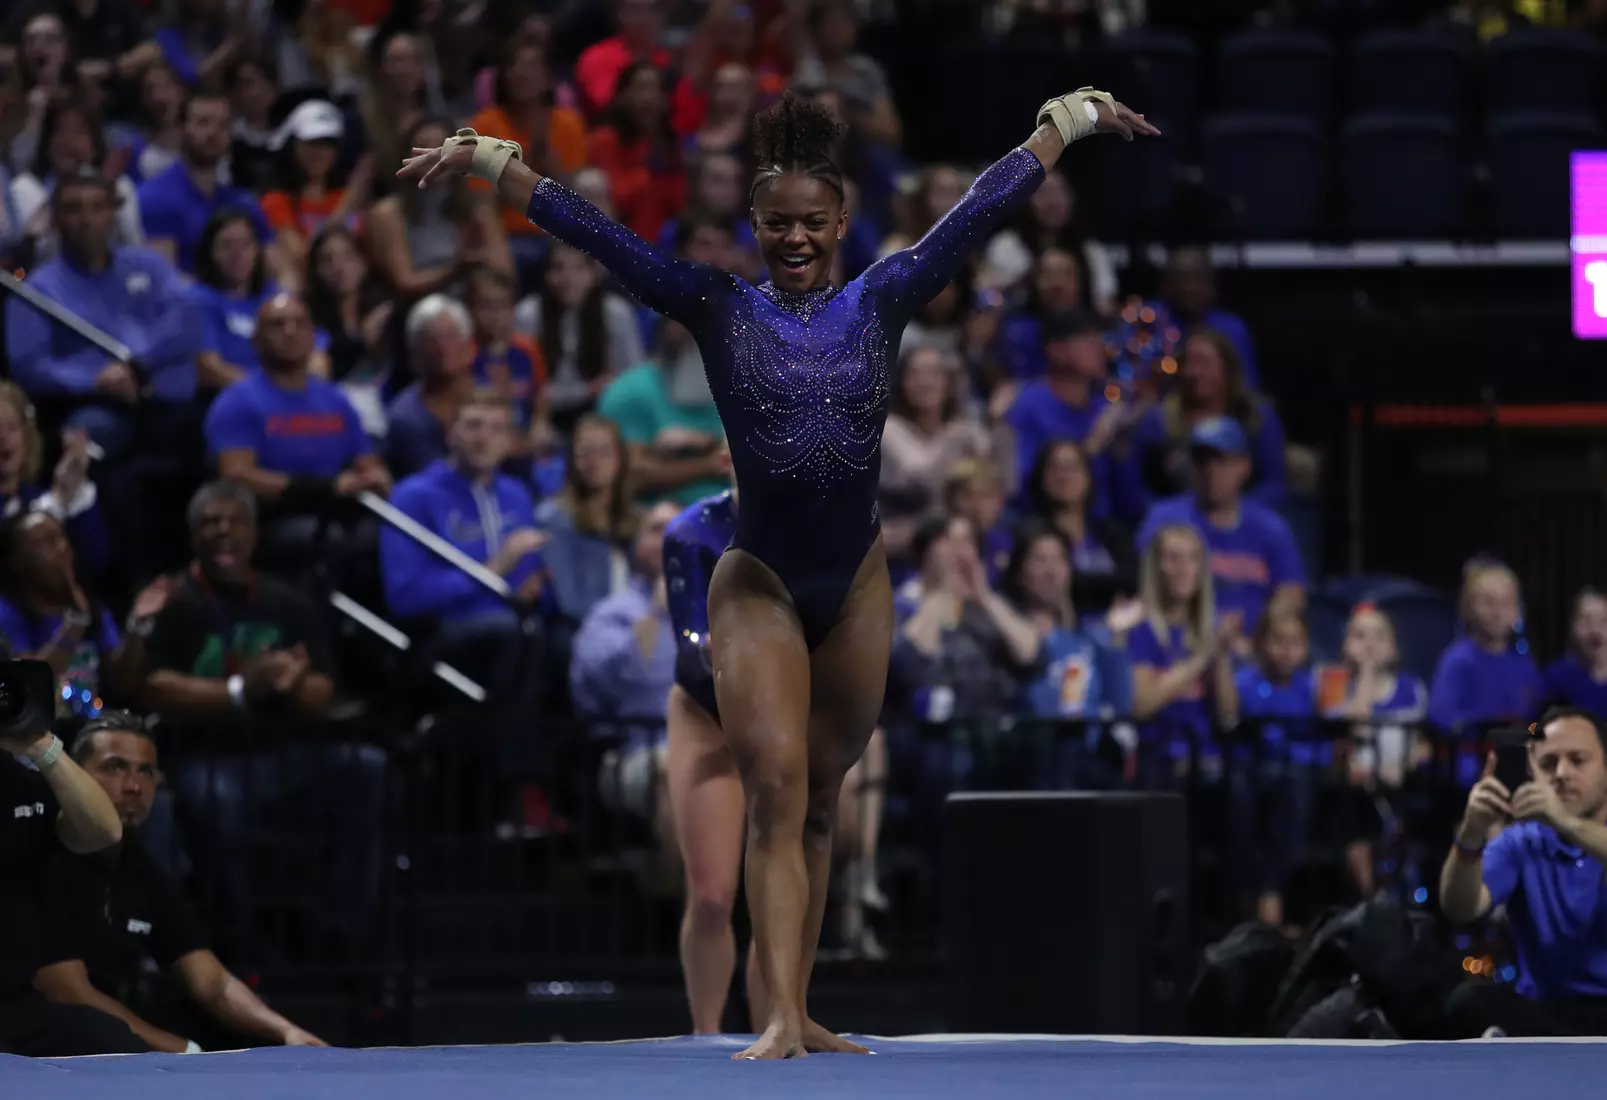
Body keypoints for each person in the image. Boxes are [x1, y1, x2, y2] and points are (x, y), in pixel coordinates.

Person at [399, 81, 1156, 1060]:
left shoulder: (882, 295)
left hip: (856, 581)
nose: (795, 238)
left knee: (825, 797)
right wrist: (488, 158)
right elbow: (598, 237)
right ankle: (771, 1017)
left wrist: (1065, 124)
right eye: (777, 223)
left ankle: (798, 1006)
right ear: (752, 223)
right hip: (754, 578)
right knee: (774, 783)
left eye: (812, 221)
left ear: (839, 220)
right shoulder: (715, 303)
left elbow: (980, 211)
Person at [661, 488, 890, 1036]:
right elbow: (692, 642)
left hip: (785, 716)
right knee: (714, 895)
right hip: (708, 715)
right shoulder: (692, 531)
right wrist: (748, 648)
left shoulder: (821, 521)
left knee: (780, 879)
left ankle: (780, 1021)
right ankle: (705, 1031)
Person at [34, 713, 328, 1052]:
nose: (133, 785)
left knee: (253, 1034)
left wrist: (286, 1031)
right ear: (75, 775)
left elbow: (211, 984)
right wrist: (184, 1052)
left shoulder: (142, 868)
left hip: (112, 1025)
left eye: (145, 771)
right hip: (46, 1038)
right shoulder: (44, 856)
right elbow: (66, 993)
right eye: (115, 767)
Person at [1440, 706, 1607, 1037]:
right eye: (1548, 764)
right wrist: (1473, 831)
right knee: (1468, 1000)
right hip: (1547, 1013)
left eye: (1578, 760)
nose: (1561, 773)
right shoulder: (1522, 842)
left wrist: (1565, 821)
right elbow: (1460, 908)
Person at [0, 693, 140, 1056]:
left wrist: (39, 742)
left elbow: (104, 831)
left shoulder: (22, 784)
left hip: (14, 1006)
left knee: (114, 1043)